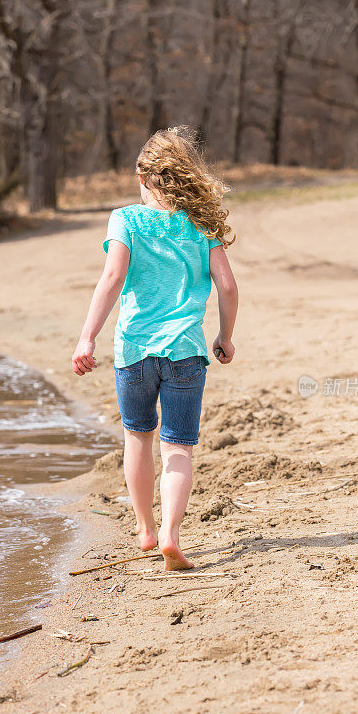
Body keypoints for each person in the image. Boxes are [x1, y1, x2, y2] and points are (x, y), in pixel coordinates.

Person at [72, 126, 238, 570]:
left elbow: (111, 280)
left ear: (143, 180)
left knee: (137, 439)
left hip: (134, 351)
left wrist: (87, 337)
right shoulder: (202, 223)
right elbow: (227, 285)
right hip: (186, 349)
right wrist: (225, 336)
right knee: (178, 447)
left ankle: (145, 528)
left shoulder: (124, 219)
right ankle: (170, 533)